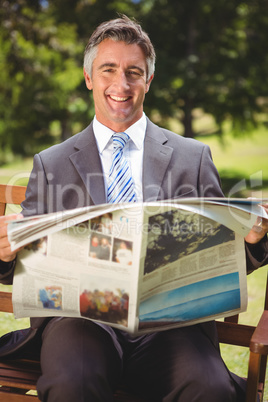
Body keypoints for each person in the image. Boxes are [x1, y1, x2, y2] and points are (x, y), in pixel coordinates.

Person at [0, 15, 268, 402]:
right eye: (108, 69)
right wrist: (5, 253)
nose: (121, 85)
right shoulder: (52, 163)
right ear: (89, 77)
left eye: (134, 72)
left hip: (173, 326)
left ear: (149, 80)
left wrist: (252, 238)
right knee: (72, 382)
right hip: (79, 324)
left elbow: (224, 255)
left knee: (209, 387)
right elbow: (20, 262)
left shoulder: (192, 157)